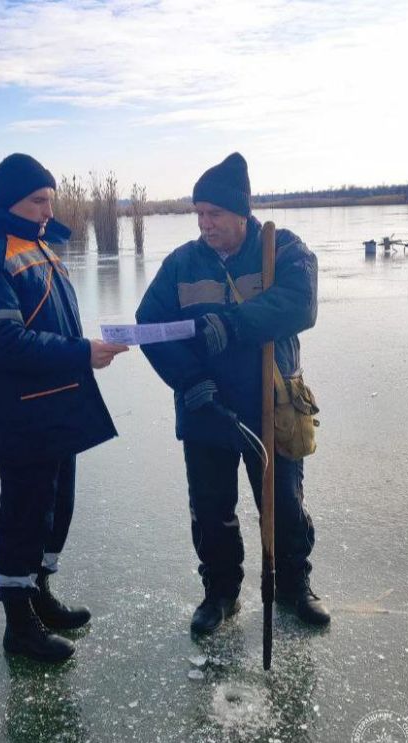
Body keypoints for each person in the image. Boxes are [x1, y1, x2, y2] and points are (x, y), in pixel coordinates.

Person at [136, 152, 330, 635]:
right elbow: (149, 324)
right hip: (205, 406)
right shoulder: (181, 263)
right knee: (211, 507)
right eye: (199, 213)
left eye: (214, 214)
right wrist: (189, 381)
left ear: (240, 212)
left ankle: (293, 586)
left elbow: (300, 304)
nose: (205, 223)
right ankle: (220, 594)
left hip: (272, 403)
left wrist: (234, 324)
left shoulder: (282, 249)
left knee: (283, 503)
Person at [0, 153, 128, 662]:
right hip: (20, 413)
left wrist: (84, 354)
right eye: (38, 200)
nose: (49, 209)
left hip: (57, 405)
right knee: (25, 511)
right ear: (10, 200)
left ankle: (40, 593)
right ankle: (18, 625)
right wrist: (81, 353)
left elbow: (50, 323)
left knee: (55, 506)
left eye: (51, 199)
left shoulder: (36, 244)